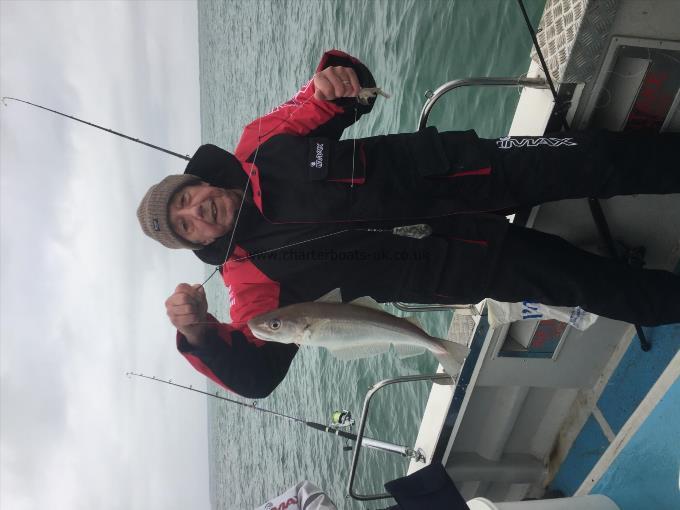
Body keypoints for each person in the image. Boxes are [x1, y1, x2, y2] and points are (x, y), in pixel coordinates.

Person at [137, 49, 680, 398]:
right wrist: (198, 333)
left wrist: (336, 82)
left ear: (196, 182)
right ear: (198, 244)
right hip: (452, 261)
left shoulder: (261, 142)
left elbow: (346, 95)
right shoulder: (248, 284)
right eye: (186, 227)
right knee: (595, 286)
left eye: (186, 198)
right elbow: (257, 376)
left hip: (465, 171)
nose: (195, 212)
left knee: (601, 158)